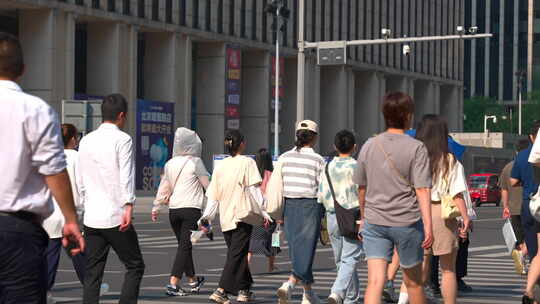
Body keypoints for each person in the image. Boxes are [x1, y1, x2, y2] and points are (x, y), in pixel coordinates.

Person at [0, 32, 84, 303]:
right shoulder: (36, 110)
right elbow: (54, 170)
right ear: (23, 70)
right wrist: (70, 220)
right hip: (19, 231)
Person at [354, 92, 434, 304]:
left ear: (384, 115)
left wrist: (363, 217)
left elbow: (361, 186)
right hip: (407, 222)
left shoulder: (369, 145)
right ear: (408, 115)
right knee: (413, 282)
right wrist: (428, 225)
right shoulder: (416, 148)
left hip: (374, 221)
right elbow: (422, 189)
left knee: (375, 282)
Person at [77, 94, 145, 304]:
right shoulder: (123, 139)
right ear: (122, 115)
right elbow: (126, 174)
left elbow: (80, 179)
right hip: (115, 215)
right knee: (135, 265)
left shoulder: (86, 140)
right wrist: (129, 205)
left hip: (92, 217)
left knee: (92, 273)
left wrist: (83, 207)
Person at [200, 130, 272, 303]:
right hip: (242, 217)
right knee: (235, 256)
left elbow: (213, 196)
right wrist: (265, 212)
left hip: (226, 218)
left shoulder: (220, 166)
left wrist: (207, 217)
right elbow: (254, 190)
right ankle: (221, 290)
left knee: (237, 254)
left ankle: (244, 290)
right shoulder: (248, 162)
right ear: (241, 144)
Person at [412, 115, 471, 304]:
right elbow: (457, 193)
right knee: (448, 269)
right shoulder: (449, 160)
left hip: (416, 211)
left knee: (419, 266)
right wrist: (465, 216)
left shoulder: (414, 158)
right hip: (442, 214)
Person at [152, 127, 208, 296]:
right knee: (185, 247)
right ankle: (173, 284)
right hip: (191, 210)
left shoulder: (170, 163)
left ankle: (192, 280)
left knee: (185, 246)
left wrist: (156, 207)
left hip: (174, 211)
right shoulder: (196, 162)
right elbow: (208, 186)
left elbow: (164, 187)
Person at [276, 120, 326, 304]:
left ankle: (308, 293)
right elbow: (322, 188)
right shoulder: (318, 160)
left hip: (288, 205)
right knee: (306, 250)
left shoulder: (284, 157)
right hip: (309, 205)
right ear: (314, 138)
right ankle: (289, 284)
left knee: (298, 249)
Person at [317, 130, 363, 304]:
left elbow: (321, 195)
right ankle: (341, 295)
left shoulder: (327, 167)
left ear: (335, 147)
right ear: (355, 147)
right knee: (349, 259)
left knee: (340, 260)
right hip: (352, 216)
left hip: (332, 216)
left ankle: (350, 297)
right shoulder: (357, 166)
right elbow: (363, 193)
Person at [43, 124, 87, 302]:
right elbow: (82, 185)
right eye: (76, 137)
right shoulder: (77, 157)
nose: (77, 140)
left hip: (50, 214)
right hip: (69, 214)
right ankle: (92, 286)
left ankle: (45, 291)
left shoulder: (49, 157)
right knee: (78, 252)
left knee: (50, 256)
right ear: (72, 139)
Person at [512, 121, 540, 304]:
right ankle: (531, 292)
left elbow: (513, 181)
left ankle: (532, 294)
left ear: (531, 136)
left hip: (529, 206)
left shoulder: (523, 155)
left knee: (535, 253)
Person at [248, 148, 281, 273]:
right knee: (274, 238)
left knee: (252, 242)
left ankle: (247, 263)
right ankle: (271, 266)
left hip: (255, 213)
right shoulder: (272, 176)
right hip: (270, 212)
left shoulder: (253, 175)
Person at [500, 139, 530, 274]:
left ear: (516, 151)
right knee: (532, 237)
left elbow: (504, 188)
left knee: (520, 239)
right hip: (528, 207)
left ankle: (522, 265)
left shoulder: (508, 167)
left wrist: (505, 206)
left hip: (513, 209)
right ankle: (522, 255)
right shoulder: (529, 165)